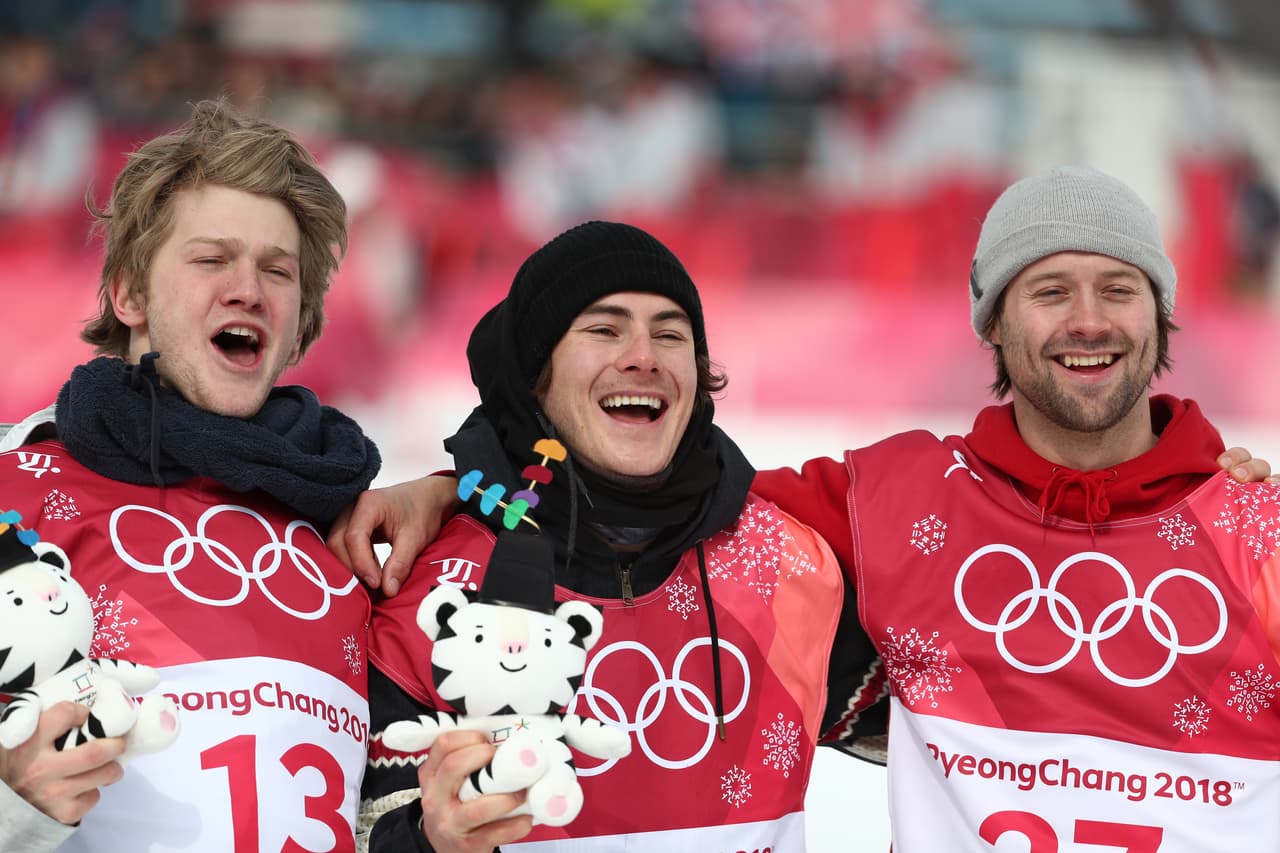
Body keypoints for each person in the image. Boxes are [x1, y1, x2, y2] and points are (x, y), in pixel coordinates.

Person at [331, 168, 1279, 851]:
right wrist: (462, 489)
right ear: (993, 320)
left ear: (1163, 313)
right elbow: (632, 499)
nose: (1089, 320)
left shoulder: (1258, 531)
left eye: (1119, 288)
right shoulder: (886, 503)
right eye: (1050, 290)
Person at [354, 221, 885, 852]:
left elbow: (961, 733)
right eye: (604, 330)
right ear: (535, 374)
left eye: (671, 334)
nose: (643, 356)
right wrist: (431, 840)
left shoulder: (786, 565)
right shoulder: (430, 594)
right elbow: (362, 834)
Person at [0, 98, 381, 851]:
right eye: (211, 260)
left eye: (277, 270)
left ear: (298, 328)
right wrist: (15, 802)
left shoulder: (357, 531)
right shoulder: (15, 492)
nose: (248, 289)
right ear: (129, 294)